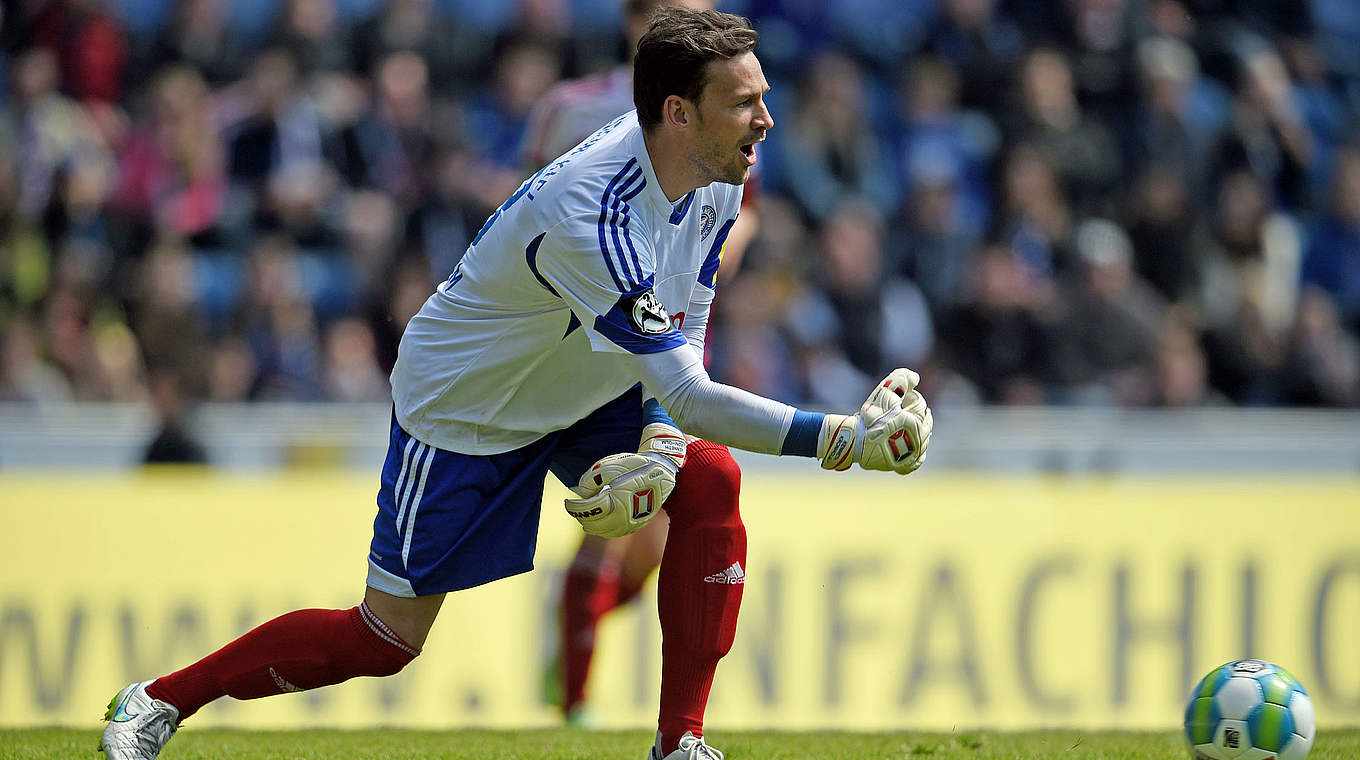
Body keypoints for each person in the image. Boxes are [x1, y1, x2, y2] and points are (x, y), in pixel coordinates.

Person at [98, 9, 933, 760]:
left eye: (763, 96)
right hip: (470, 407)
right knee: (385, 640)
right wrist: (842, 441)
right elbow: (690, 390)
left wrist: (666, 444)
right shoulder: (592, 213)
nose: (767, 119)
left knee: (712, 479)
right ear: (678, 111)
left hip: (584, 379)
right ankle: (159, 700)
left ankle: (681, 743)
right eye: (745, 101)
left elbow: (690, 320)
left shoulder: (723, 174)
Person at [520, 0, 762, 726]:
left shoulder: (725, 113)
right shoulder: (569, 109)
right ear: (637, 22)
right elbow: (532, 204)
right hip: (594, 329)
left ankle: (572, 652)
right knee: (627, 506)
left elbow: (743, 207)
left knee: (652, 525)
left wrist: (710, 259)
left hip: (679, 317)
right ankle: (576, 702)